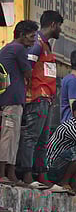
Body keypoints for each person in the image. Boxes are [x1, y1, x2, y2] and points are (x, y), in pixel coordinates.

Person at [19, 9, 63, 187]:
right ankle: (28, 175)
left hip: (45, 99)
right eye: (59, 26)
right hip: (37, 98)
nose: (60, 30)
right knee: (32, 137)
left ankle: (41, 175)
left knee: (43, 139)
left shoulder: (45, 45)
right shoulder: (37, 44)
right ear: (53, 25)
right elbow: (26, 68)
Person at [0, 20, 37, 183]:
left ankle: (10, 173)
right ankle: (4, 174)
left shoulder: (7, 48)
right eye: (31, 36)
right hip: (13, 99)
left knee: (11, 136)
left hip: (8, 98)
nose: (34, 40)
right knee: (9, 136)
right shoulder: (19, 49)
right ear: (21, 35)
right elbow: (28, 73)